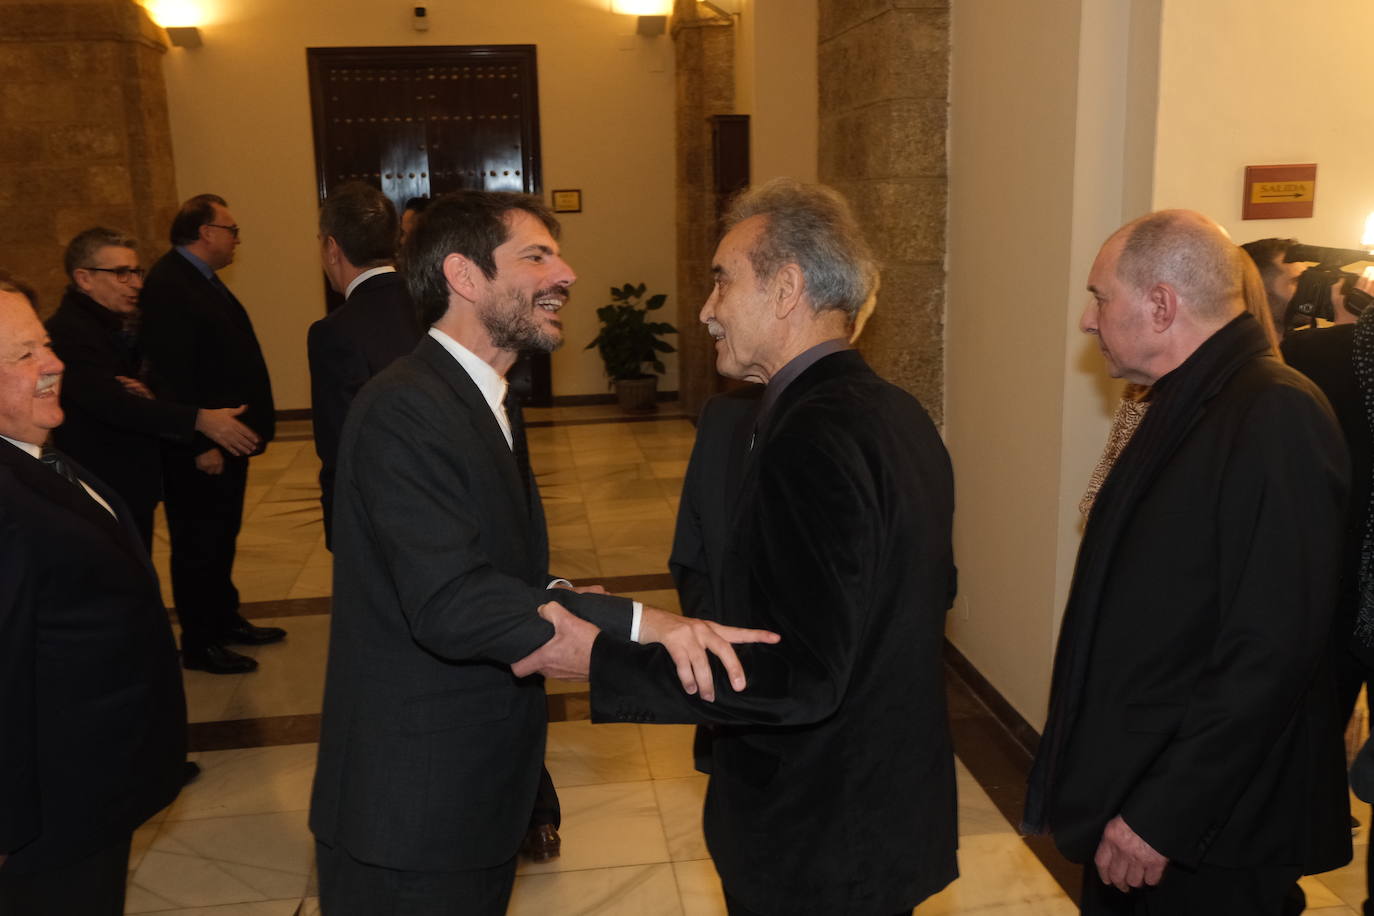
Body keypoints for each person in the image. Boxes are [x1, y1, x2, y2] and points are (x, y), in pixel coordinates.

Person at [309, 189, 774, 915]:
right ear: (464, 276)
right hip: (412, 812)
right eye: (537, 255)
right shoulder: (403, 407)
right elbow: (457, 604)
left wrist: (655, 624)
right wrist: (648, 665)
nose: (567, 273)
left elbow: (511, 582)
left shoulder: (484, 400)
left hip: (473, 792)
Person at [515, 178, 960, 916]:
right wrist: (645, 621)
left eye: (723, 281)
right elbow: (859, 612)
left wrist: (597, 658)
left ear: (786, 289)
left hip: (816, 839)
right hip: (879, 810)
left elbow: (803, 673)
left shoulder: (811, 436)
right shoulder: (896, 411)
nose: (706, 310)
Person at [1024, 210, 1352, 914]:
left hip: (1204, 829)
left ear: (1162, 304)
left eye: (1100, 297)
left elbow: (1271, 648)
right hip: (1144, 793)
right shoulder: (1189, 400)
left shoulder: (1273, 413)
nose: (1088, 320)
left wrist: (1162, 814)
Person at [0, 273, 186, 914]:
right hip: (48, 818)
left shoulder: (36, 454)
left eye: (44, 344)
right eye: (24, 355)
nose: (52, 363)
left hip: (93, 786)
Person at [139, 194, 285, 675]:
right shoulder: (169, 284)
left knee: (221, 534)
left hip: (225, 436)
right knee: (199, 541)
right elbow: (171, 372)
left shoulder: (199, 280)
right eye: (231, 229)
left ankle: (224, 619)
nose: (236, 238)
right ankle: (200, 641)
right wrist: (201, 443)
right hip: (200, 443)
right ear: (205, 233)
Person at [46, 227, 259, 550]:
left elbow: (152, 384)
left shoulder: (120, 323)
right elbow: (112, 404)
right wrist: (200, 419)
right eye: (121, 273)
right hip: (101, 482)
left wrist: (149, 393)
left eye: (136, 272)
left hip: (130, 483)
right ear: (84, 278)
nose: (137, 284)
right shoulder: (69, 332)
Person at [307, 183, 420, 546]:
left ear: (332, 247)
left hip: (379, 516)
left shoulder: (334, 332)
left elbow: (340, 443)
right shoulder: (437, 307)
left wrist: (339, 530)